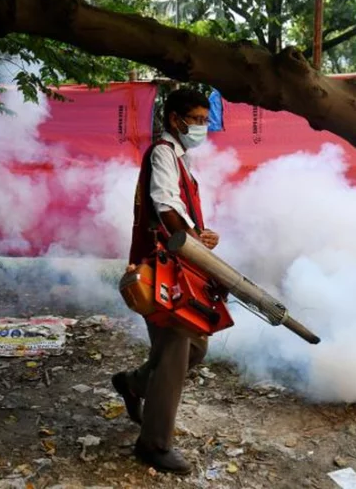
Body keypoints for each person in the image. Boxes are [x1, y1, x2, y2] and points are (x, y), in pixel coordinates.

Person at [112, 88, 220, 475]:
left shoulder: (180, 158)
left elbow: (180, 212)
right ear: (174, 119)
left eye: (204, 120)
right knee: (176, 348)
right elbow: (166, 205)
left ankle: (135, 383)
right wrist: (192, 237)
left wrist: (200, 235)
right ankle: (154, 443)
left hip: (178, 267)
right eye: (196, 119)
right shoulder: (162, 153)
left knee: (195, 347)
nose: (202, 127)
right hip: (159, 270)